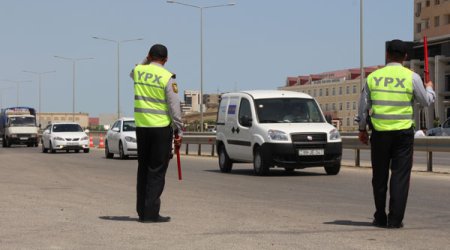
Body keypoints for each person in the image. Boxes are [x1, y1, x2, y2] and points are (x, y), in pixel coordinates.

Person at [357, 39, 435, 229]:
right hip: (403, 135)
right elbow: (426, 102)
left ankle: (380, 217)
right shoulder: (412, 77)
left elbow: (363, 106)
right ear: (405, 57)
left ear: (387, 55)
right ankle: (395, 220)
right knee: (400, 177)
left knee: (379, 176)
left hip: (380, 133)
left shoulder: (373, 77)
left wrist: (362, 129)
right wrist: (430, 87)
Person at [131, 44, 183, 223]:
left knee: (143, 169)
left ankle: (142, 212)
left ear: (149, 56)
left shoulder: (138, 71)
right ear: (166, 59)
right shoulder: (167, 77)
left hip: (142, 128)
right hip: (160, 129)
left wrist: (146, 59)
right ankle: (151, 214)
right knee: (157, 171)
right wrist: (179, 130)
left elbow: (134, 70)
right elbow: (174, 106)